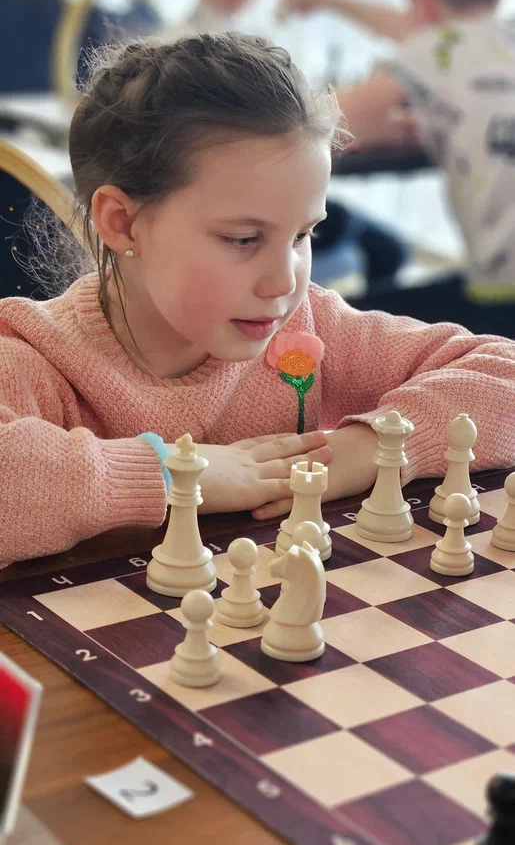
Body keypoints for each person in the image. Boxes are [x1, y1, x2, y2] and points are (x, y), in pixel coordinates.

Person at [1, 32, 515, 565]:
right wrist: (175, 474)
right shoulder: (37, 356)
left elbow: (504, 370)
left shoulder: (309, 326)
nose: (283, 283)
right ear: (123, 223)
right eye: (243, 239)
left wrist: (372, 448)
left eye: (302, 235)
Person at [279, 0, 515, 338]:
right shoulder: (502, 36)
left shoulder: (436, 48)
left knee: (338, 322)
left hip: (503, 302)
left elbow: (311, 122)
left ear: (423, 1)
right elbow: (425, 35)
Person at [166, 0, 410, 291]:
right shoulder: (176, 52)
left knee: (389, 250)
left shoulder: (267, 40)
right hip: (249, 204)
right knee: (380, 248)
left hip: (286, 195)